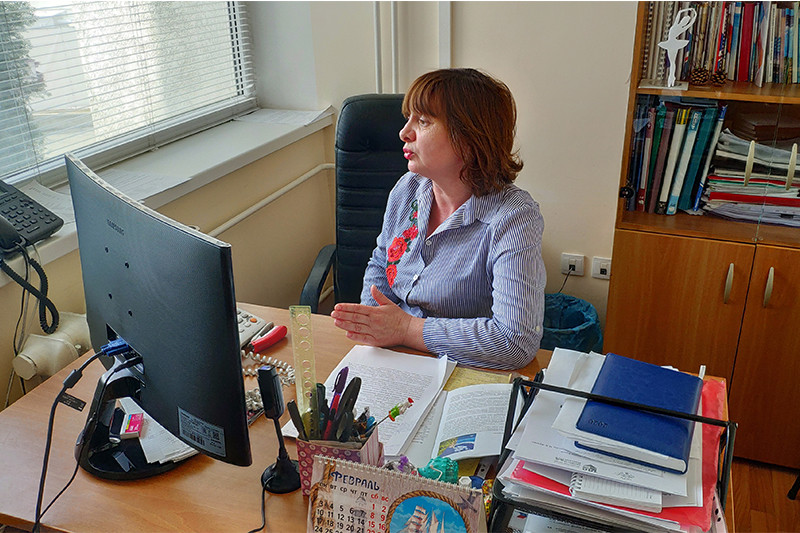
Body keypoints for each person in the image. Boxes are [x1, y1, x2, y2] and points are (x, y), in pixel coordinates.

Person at [331, 68, 545, 370]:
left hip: (467, 369)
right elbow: (381, 261)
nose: (404, 133)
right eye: (408, 118)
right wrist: (372, 323)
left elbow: (515, 342)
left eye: (423, 121)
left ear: (468, 138)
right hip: (393, 358)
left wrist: (406, 328)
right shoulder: (407, 189)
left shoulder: (514, 218)